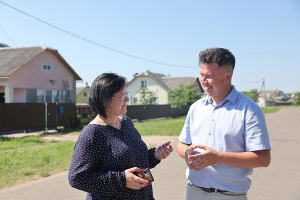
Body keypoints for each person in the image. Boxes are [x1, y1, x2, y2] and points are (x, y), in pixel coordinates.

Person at [177, 48, 271, 200]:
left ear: (227, 76)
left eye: (209, 76)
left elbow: (263, 159)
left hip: (229, 196)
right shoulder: (196, 108)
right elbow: (181, 144)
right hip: (193, 192)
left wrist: (219, 157)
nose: (203, 81)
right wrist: (187, 153)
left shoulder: (250, 110)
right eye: (201, 75)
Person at [69, 72, 173, 200]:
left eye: (126, 94)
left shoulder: (126, 122)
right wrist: (122, 179)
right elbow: (77, 178)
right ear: (105, 99)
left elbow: (134, 160)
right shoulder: (92, 133)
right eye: (122, 96)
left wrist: (154, 155)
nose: (127, 99)